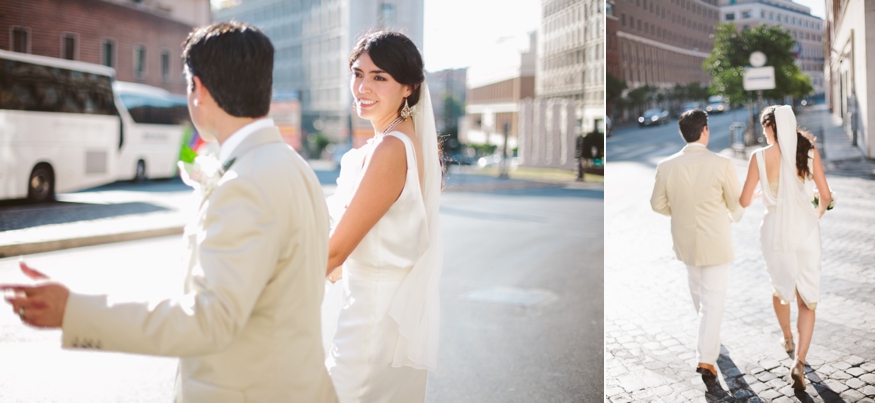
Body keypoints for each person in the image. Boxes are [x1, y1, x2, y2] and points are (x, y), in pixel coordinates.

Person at [1, 22, 338, 402]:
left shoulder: (244, 183)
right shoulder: (294, 166)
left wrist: (74, 311)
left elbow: (209, 320)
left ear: (199, 90)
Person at [323, 30, 443, 402]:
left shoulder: (392, 148)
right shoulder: (394, 141)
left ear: (408, 87)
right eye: (358, 73)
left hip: (373, 317)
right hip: (379, 309)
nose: (363, 87)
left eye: (379, 77)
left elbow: (336, 250)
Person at [739, 105, 830, 391]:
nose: (764, 132)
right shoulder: (808, 152)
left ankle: (788, 338)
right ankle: (800, 361)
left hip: (774, 228)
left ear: (771, 127)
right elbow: (825, 196)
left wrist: (758, 193)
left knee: (781, 288)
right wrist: (814, 214)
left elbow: (742, 201)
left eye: (765, 127)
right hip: (805, 230)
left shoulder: (759, 156)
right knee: (807, 298)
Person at [650, 109, 744, 382]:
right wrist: (731, 215)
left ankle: (709, 342)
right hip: (715, 238)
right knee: (712, 301)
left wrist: (680, 214)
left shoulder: (666, 165)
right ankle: (706, 357)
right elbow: (736, 204)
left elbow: (657, 204)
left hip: (685, 240)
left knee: (699, 293)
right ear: (704, 130)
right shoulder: (722, 163)